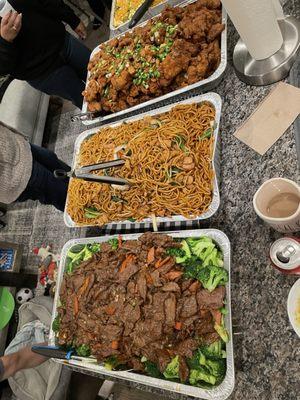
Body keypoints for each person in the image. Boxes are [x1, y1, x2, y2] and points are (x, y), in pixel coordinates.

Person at [0, 0, 91, 108]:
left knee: (107, 69)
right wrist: (5, 41)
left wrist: (71, 18)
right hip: (42, 72)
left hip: (61, 40)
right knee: (91, 104)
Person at [0, 121, 70, 212]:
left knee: (60, 167)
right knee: (61, 194)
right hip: (12, 176)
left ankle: (88, 185)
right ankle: (89, 213)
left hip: (15, 143)